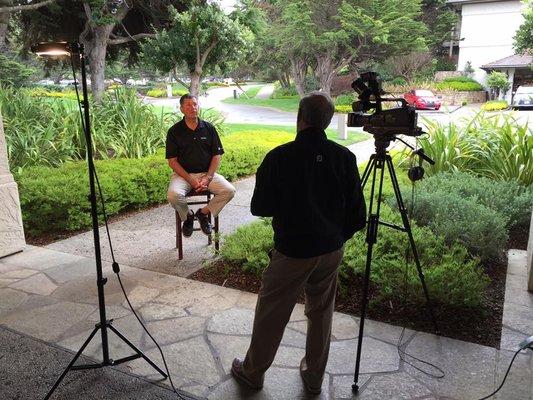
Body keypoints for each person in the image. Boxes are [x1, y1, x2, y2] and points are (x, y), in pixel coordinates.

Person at [231, 92, 366, 394]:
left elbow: (259, 207)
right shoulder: (344, 157)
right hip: (331, 250)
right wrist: (335, 237)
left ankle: (253, 373)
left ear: (299, 117)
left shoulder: (279, 157)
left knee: (272, 313)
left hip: (291, 252)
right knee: (321, 313)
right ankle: (314, 377)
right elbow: (358, 214)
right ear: (328, 121)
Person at [166, 94, 235, 237]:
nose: (193, 108)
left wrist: (208, 177)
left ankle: (202, 214)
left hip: (206, 174)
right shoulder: (174, 131)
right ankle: (188, 216)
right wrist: (191, 180)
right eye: (188, 105)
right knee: (173, 195)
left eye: (195, 104)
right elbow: (172, 161)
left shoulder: (209, 128)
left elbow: (217, 155)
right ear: (182, 109)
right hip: (183, 176)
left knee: (229, 191)